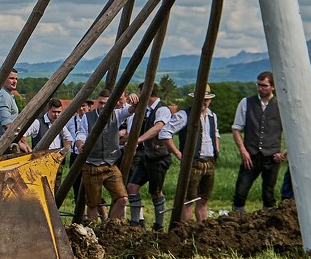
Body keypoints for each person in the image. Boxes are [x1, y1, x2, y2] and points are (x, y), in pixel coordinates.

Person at [232, 71, 287, 213]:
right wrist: (243, 151)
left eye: (264, 85)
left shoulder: (282, 104)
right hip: (251, 155)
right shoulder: (246, 102)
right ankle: (237, 221)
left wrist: (284, 152)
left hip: (272, 156)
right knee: (240, 191)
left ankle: (268, 224)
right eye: (258, 85)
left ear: (273, 87)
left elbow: (293, 132)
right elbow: (236, 129)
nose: (260, 88)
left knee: (268, 194)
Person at [75, 91, 135, 224]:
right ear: (97, 102)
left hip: (110, 165)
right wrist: (80, 145)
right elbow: (80, 135)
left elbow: (131, 110)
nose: (103, 106)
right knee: (92, 204)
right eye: (101, 103)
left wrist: (134, 100)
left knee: (122, 199)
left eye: (106, 103)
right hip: (91, 166)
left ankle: (107, 227)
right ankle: (93, 232)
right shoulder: (88, 117)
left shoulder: (117, 114)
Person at [127, 92, 176, 230]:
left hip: (158, 157)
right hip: (145, 156)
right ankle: (136, 223)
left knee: (155, 192)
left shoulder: (162, 109)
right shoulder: (146, 109)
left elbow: (158, 127)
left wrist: (139, 140)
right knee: (132, 187)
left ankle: (159, 226)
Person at [178, 87, 220, 223]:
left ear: (210, 100)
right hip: (193, 162)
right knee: (188, 199)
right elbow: (165, 133)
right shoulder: (184, 115)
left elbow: (216, 134)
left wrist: (216, 152)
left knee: (204, 198)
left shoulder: (212, 116)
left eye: (206, 100)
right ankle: (184, 231)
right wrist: (180, 155)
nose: (204, 102)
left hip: (209, 162)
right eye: (201, 99)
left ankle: (202, 230)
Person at [0, 68, 26, 153]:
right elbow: (6, 124)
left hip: (6, 143)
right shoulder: (4, 96)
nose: (14, 81)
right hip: (2, 145)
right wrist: (19, 143)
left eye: (16, 79)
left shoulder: (8, 95)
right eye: (11, 78)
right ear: (3, 79)